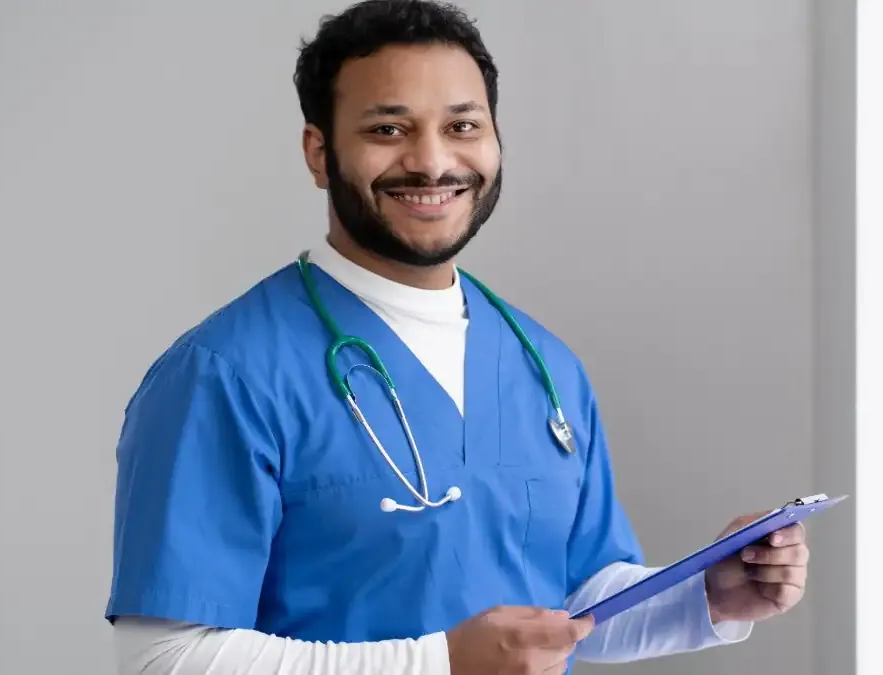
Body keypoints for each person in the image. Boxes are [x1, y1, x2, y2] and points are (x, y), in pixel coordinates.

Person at [106, 1, 811, 673]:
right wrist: (436, 665)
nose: (432, 161)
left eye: (463, 126)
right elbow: (166, 659)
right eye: (388, 129)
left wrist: (708, 596)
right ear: (319, 153)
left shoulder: (544, 366)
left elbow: (568, 605)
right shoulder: (224, 374)